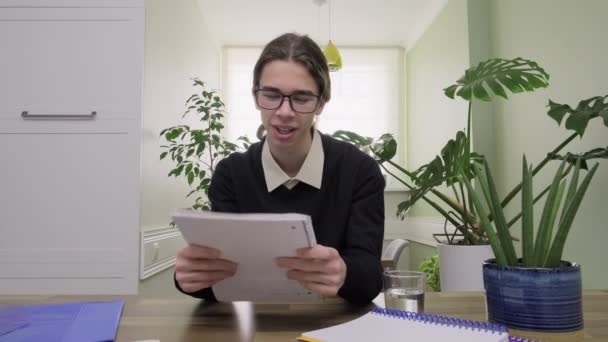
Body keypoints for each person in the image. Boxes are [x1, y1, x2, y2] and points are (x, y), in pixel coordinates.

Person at [174, 32, 385, 306]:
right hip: (253, 323)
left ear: (320, 103)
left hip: (332, 323)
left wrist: (345, 272)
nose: (284, 112)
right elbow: (219, 282)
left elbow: (370, 278)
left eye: (301, 98)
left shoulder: (360, 171)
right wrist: (190, 278)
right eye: (272, 95)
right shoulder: (231, 174)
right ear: (255, 96)